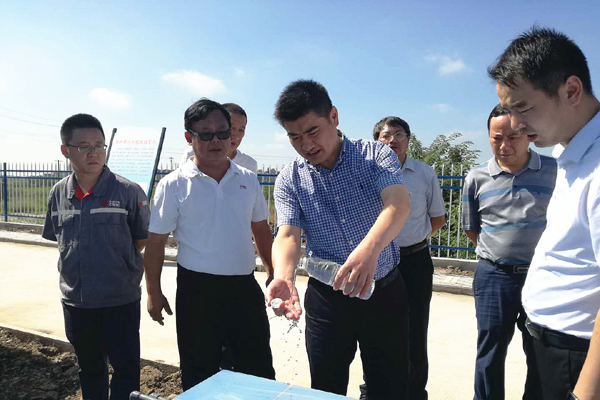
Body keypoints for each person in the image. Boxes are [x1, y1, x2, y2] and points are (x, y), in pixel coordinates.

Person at [266, 79, 412, 398]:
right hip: (327, 299)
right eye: (294, 136)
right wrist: (284, 276)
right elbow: (288, 233)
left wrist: (368, 251)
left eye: (312, 131)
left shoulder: (374, 155)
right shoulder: (290, 179)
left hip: (383, 291)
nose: (306, 144)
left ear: (333, 116)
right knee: (326, 387)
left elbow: (398, 204)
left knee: (390, 386)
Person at [488, 26, 600, 400]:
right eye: (508, 110)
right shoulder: (571, 153)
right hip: (547, 345)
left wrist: (584, 394)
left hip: (576, 356)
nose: (515, 124)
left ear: (571, 91)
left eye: (522, 107)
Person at [143, 98, 275, 391]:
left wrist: (273, 272)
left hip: (243, 288)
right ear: (189, 137)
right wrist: (153, 292)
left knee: (258, 370)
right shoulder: (174, 184)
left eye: (222, 133)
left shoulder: (248, 180)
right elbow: (155, 242)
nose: (216, 140)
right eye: (205, 134)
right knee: (198, 373)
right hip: (196, 291)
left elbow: (261, 229)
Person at [42, 113, 150, 400]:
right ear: (65, 150)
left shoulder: (128, 191)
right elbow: (59, 239)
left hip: (119, 301)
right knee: (89, 368)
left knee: (126, 369)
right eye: (83, 146)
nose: (93, 153)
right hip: (76, 302)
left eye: (99, 146)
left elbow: (141, 238)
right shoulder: (58, 193)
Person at [462, 104, 556, 399]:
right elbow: (471, 228)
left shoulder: (554, 171)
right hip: (494, 276)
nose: (504, 146)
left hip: (542, 276)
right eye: (496, 138)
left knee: (540, 351)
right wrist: (498, 252)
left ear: (528, 134)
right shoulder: (476, 177)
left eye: (513, 137)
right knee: (490, 350)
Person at [361, 116, 445, 400]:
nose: (392, 140)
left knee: (416, 329)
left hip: (415, 261)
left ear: (408, 139)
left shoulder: (424, 173)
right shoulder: (366, 172)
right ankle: (373, 390)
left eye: (399, 134)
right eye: (385, 136)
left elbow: (437, 218)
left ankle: (415, 392)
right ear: (376, 142)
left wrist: (414, 238)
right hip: (378, 263)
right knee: (374, 330)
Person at [179, 102, 258, 173]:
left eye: (241, 130)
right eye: (231, 128)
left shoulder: (249, 165)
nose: (236, 135)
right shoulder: (191, 154)